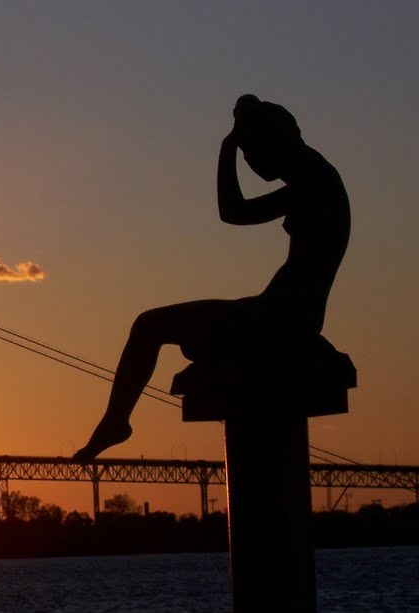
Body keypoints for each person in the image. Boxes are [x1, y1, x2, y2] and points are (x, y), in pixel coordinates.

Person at [73, 94, 351, 462]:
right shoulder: (313, 176)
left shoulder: (313, 179)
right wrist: (233, 143)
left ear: (271, 141)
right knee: (161, 328)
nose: (250, 162)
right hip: (283, 311)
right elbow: (235, 212)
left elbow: (232, 211)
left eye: (251, 151)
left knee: (149, 325)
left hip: (282, 318)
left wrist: (228, 146)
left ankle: (116, 421)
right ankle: (115, 421)